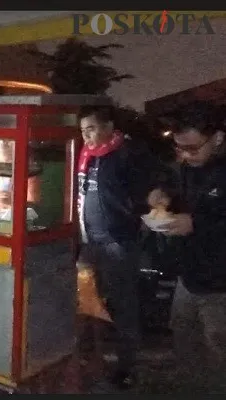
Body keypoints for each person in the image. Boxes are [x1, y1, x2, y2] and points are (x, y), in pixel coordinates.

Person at [76, 105, 165, 390]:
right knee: (85, 299)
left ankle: (127, 366)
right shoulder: (88, 156)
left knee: (123, 304)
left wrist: (152, 204)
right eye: (82, 130)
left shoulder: (128, 154)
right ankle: (91, 356)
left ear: (109, 127)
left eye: (90, 129)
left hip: (118, 243)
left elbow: (151, 189)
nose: (86, 136)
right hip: (90, 242)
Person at [149, 103, 226, 391]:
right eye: (179, 148)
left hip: (220, 286)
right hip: (189, 277)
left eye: (192, 148)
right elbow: (172, 186)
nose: (184, 155)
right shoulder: (186, 166)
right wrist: (163, 197)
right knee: (185, 345)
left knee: (219, 354)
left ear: (217, 138)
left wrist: (197, 223)